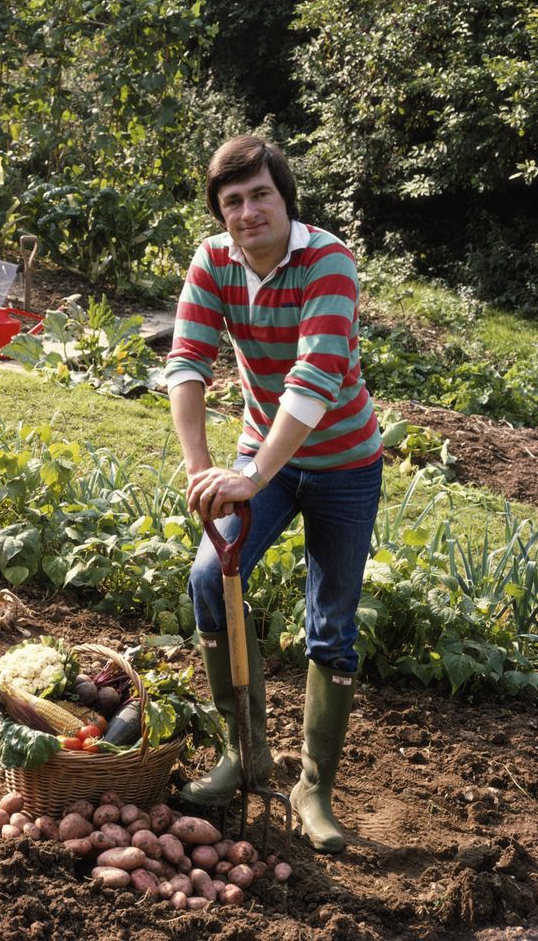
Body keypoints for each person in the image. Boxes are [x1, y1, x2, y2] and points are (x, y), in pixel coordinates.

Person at [165, 135, 383, 853]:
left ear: (284, 197)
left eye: (260, 194)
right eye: (233, 201)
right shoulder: (213, 261)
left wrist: (252, 475)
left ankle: (313, 788)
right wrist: (205, 473)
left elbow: (315, 379)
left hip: (345, 465)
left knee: (333, 625)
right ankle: (245, 753)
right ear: (220, 213)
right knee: (207, 576)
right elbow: (188, 362)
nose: (247, 211)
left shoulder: (328, 259)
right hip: (266, 459)